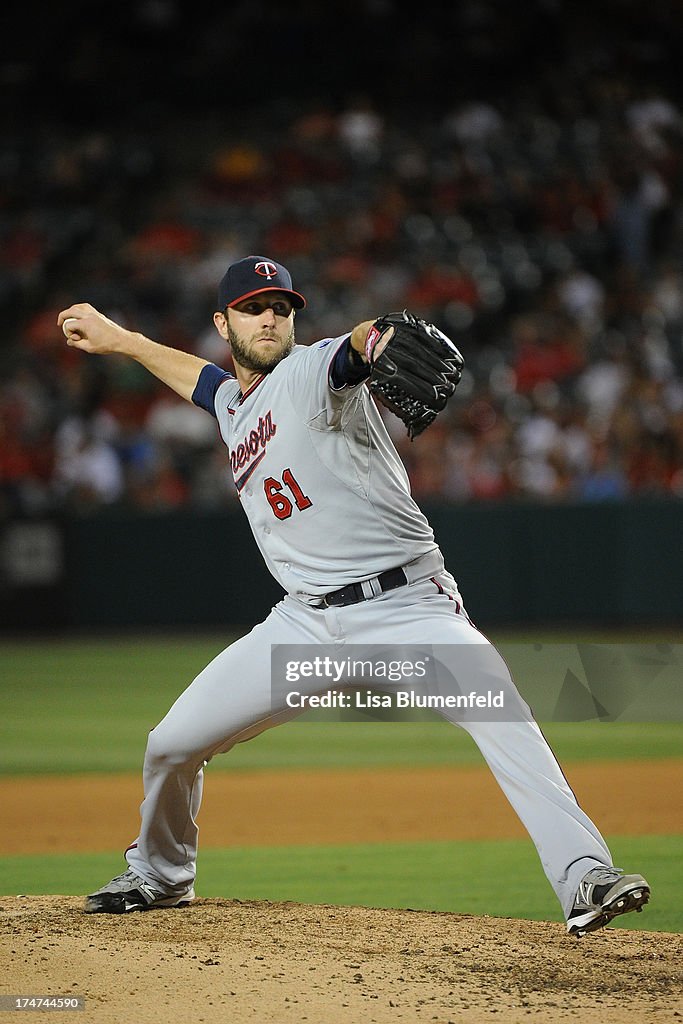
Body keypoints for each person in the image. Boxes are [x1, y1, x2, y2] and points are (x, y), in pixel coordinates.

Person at [58, 255, 650, 937]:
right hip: (303, 629)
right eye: (253, 307)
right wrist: (121, 339)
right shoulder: (232, 405)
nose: (271, 318)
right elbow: (205, 381)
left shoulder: (311, 372)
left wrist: (379, 340)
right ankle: (162, 875)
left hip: (407, 611)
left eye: (281, 306)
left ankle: (584, 875)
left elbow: (356, 346)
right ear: (222, 322)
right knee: (170, 744)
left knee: (501, 712)